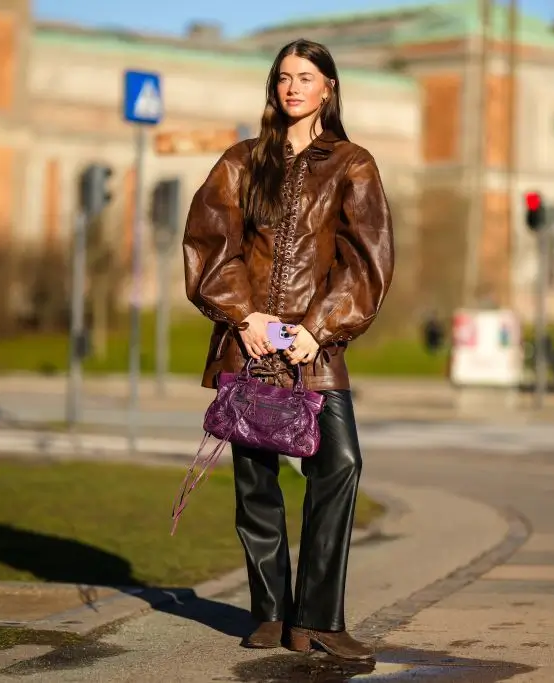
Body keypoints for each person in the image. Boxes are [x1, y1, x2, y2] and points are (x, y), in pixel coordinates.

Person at [181, 38, 394, 660]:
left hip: (315, 349)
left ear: (329, 86)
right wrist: (244, 316)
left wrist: (319, 328)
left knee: (341, 463)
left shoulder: (352, 164)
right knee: (256, 482)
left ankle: (319, 620)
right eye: (283, 77)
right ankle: (272, 615)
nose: (292, 87)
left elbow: (367, 261)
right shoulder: (241, 162)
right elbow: (210, 243)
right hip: (248, 346)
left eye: (305, 76)